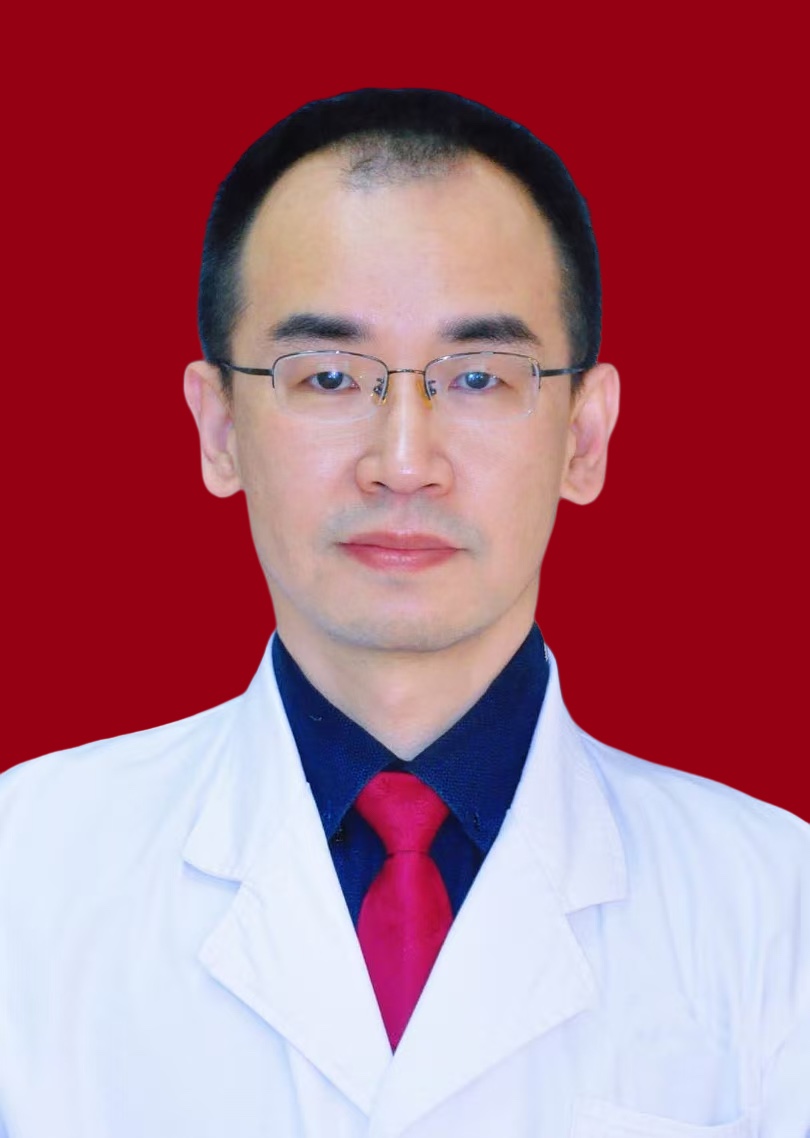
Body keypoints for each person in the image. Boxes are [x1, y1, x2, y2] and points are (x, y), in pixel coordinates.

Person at [0, 87, 807, 1138]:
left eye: (479, 377)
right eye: (330, 376)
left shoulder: (774, 908)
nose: (404, 462)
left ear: (584, 437)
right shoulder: (28, 871)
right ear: (219, 428)